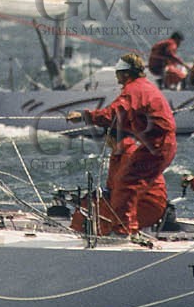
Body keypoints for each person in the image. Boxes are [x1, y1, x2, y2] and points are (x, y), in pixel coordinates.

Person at [65, 53, 176, 235]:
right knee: (127, 185)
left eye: (118, 75)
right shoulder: (144, 87)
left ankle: (122, 233)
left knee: (126, 185)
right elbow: (128, 118)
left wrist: (86, 116)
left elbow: (116, 111)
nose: (117, 81)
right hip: (160, 144)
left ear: (125, 74)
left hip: (158, 144)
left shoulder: (134, 89)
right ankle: (123, 229)